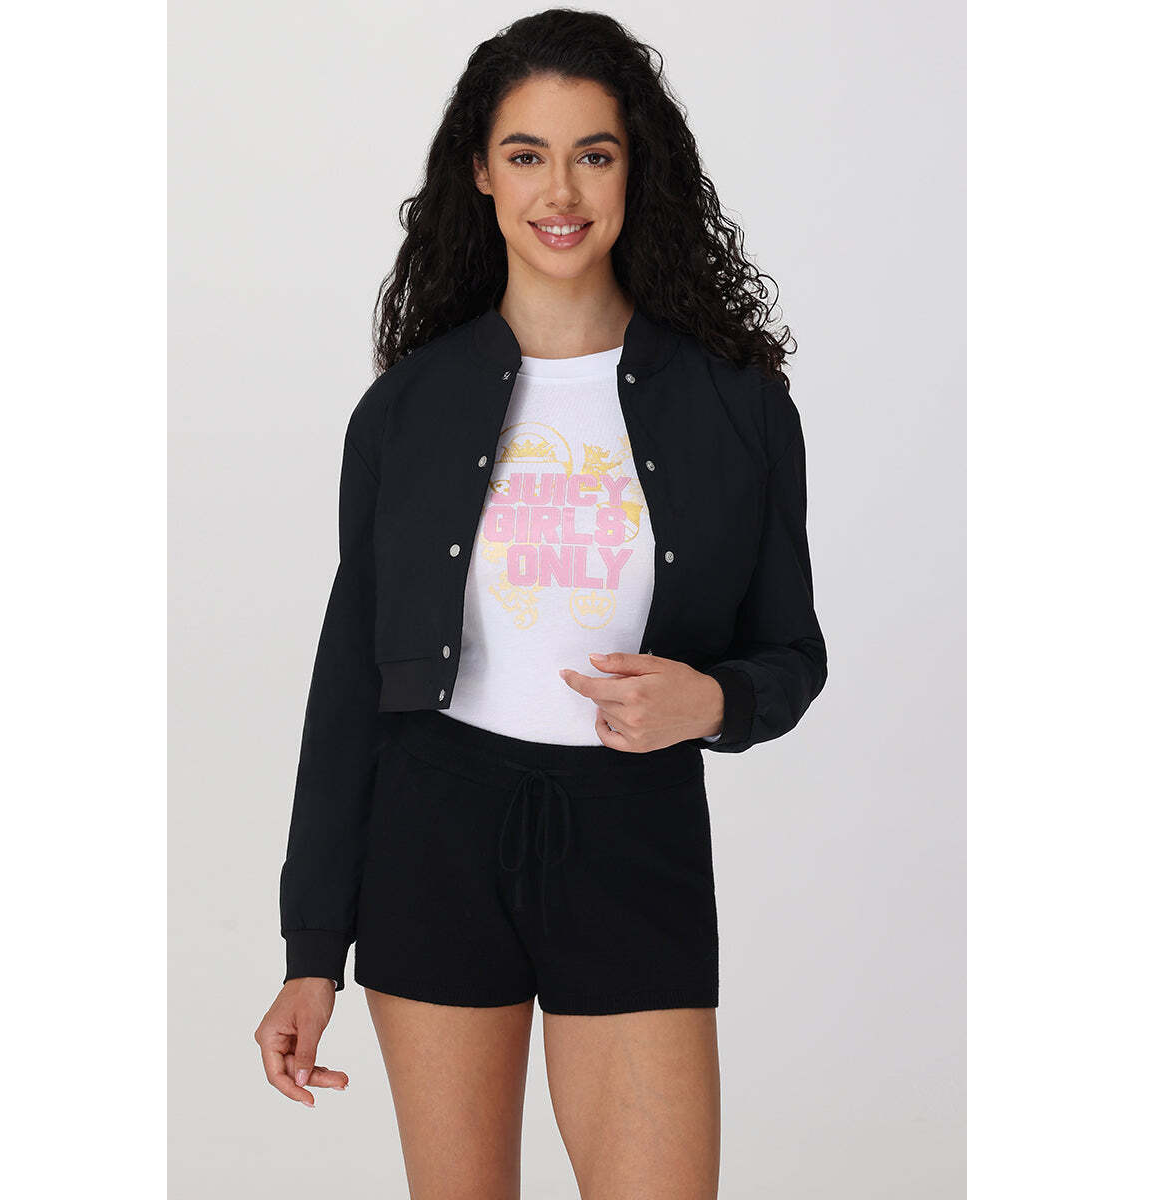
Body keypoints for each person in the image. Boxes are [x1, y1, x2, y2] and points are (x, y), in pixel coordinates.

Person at [254, 9, 828, 1197]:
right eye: (526, 154)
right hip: (434, 838)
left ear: (634, 169)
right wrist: (313, 950)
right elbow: (350, 683)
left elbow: (792, 652)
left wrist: (714, 702)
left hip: (634, 838)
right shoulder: (407, 410)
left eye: (593, 154)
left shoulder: (735, 404)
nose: (559, 191)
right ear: (480, 171)